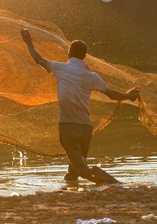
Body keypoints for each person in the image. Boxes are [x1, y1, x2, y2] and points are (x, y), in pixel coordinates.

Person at [21, 28, 139, 184]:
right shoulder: (91, 76)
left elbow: (39, 59)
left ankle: (112, 184)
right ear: (84, 56)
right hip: (85, 128)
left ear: (69, 52)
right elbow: (111, 93)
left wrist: (29, 42)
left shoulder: (60, 68)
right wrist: (129, 96)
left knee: (81, 168)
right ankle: (70, 187)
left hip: (68, 127)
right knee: (75, 169)